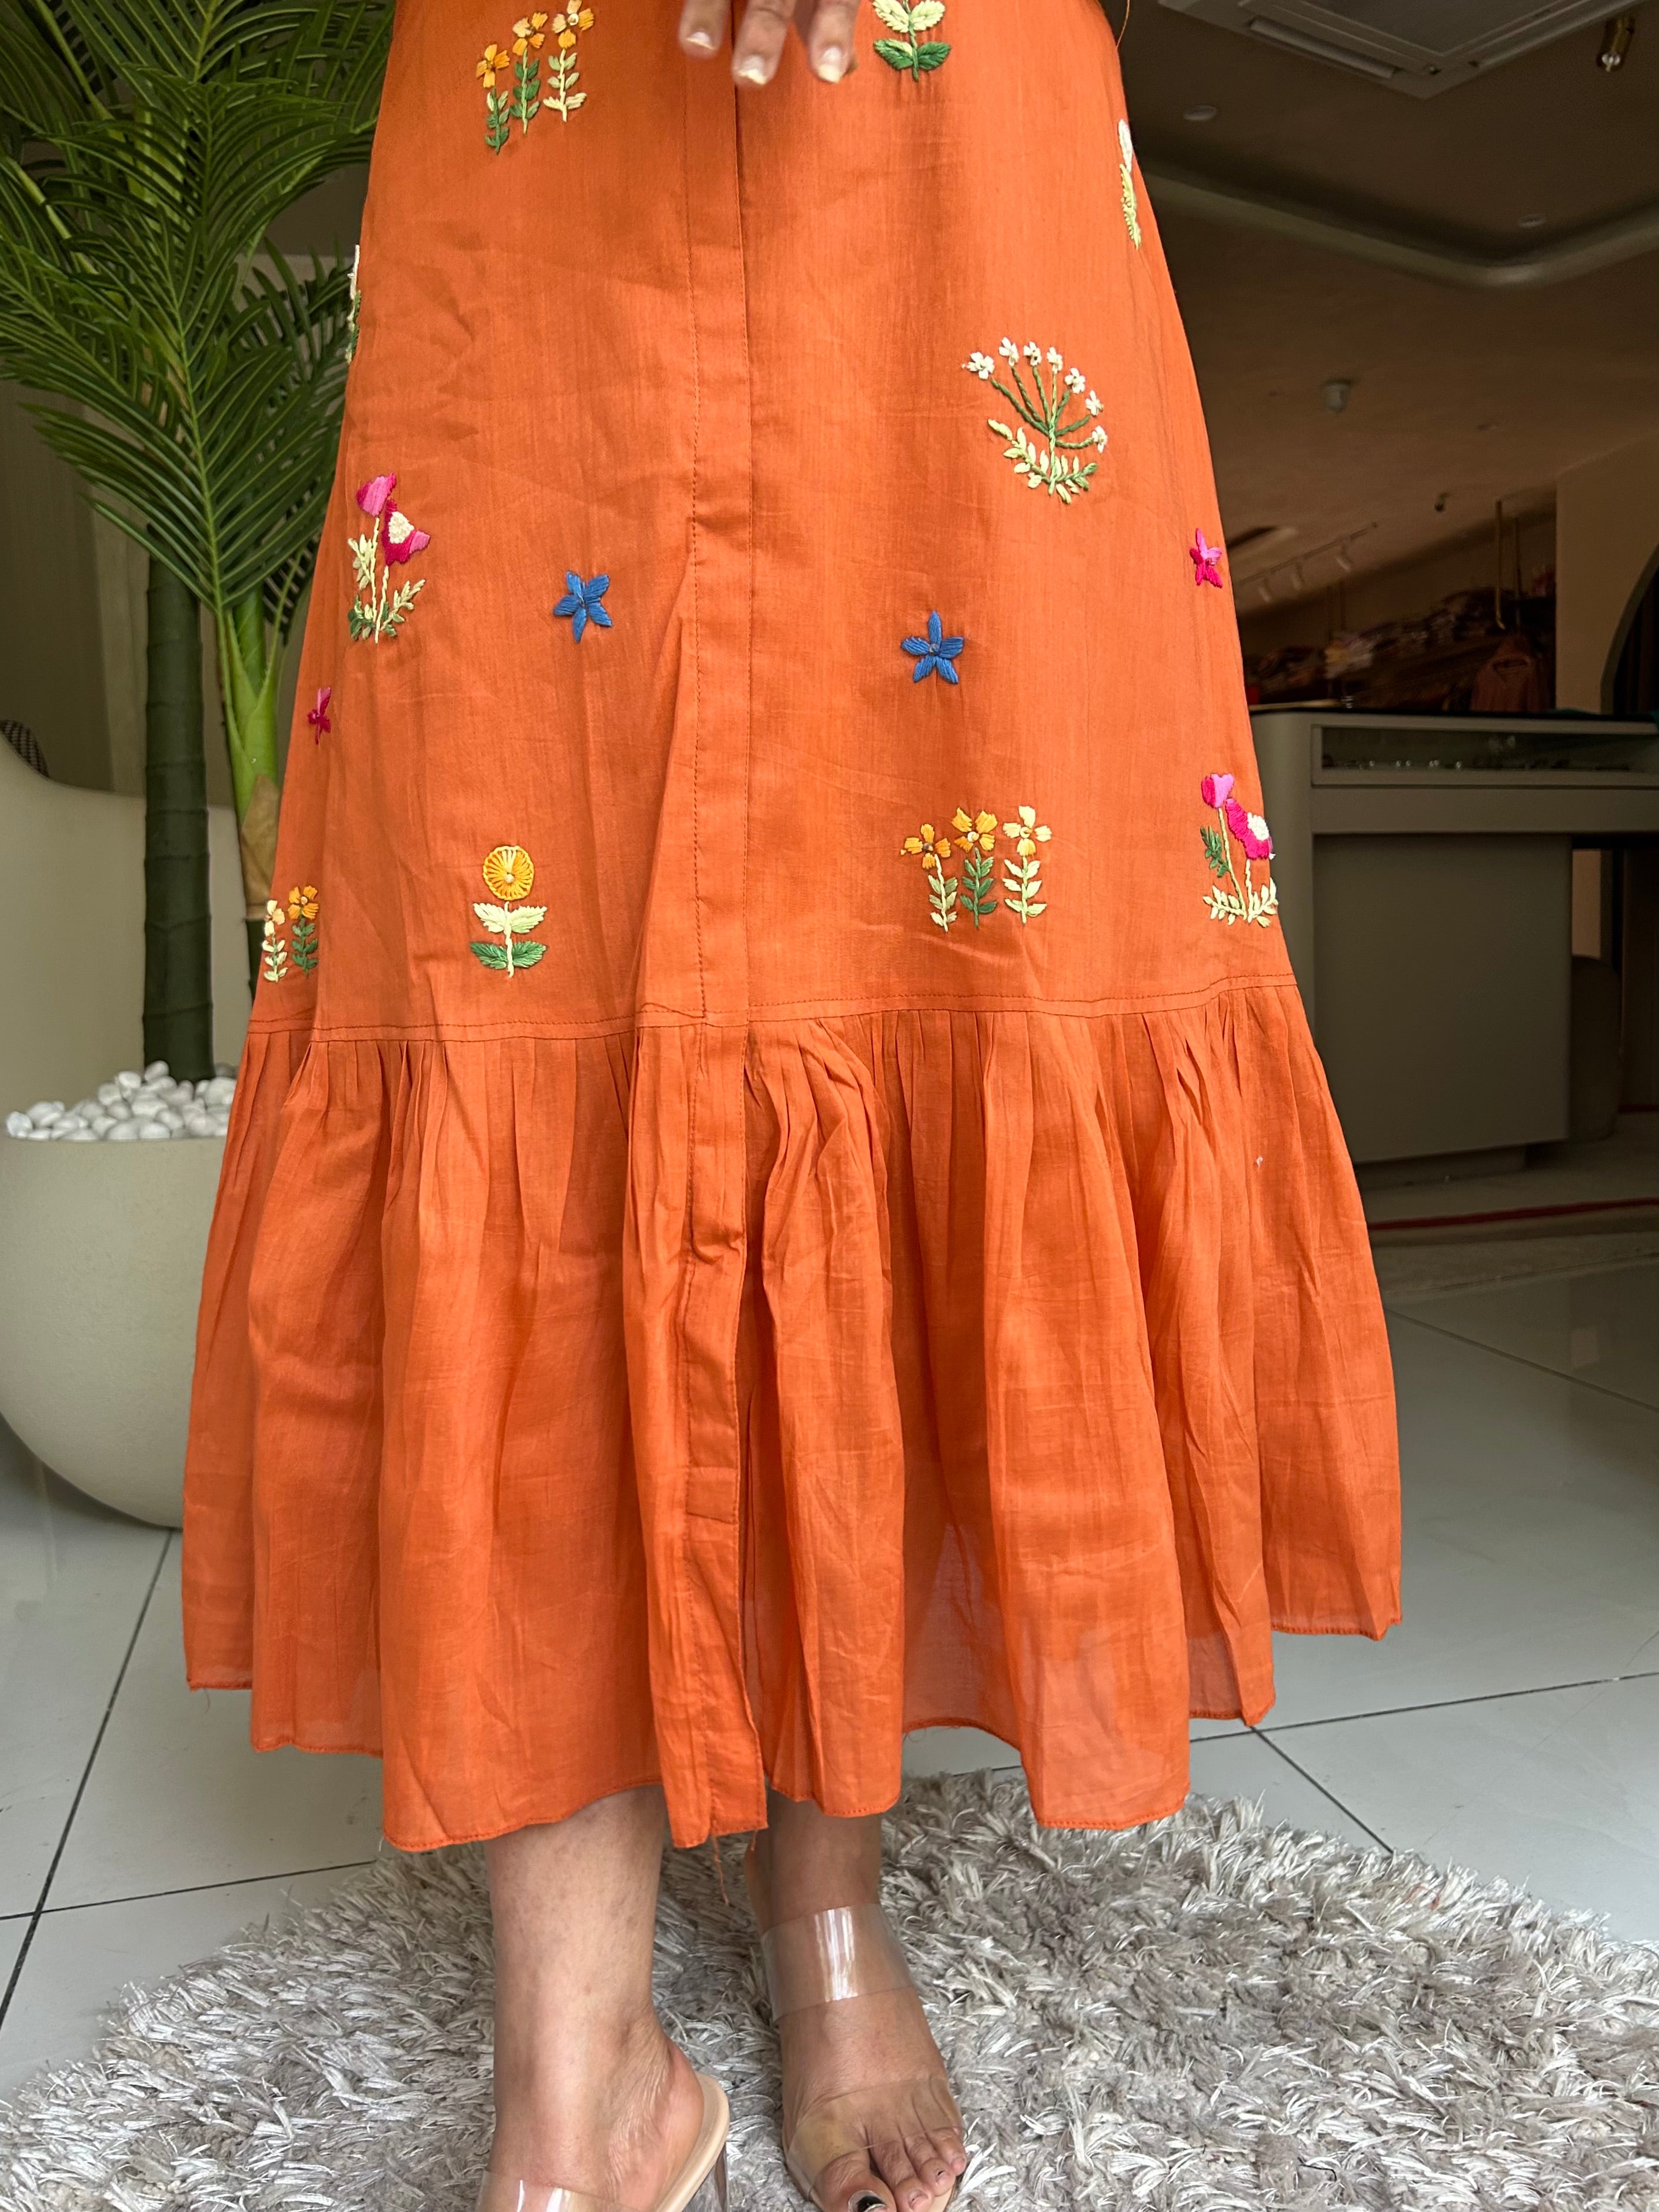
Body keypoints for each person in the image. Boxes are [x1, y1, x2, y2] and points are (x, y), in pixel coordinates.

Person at [182, 5, 1401, 2210]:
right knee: (523, 961)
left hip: (946, 133)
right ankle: (576, 2066)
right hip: (538, 107)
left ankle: (824, 1898)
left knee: (912, 921)